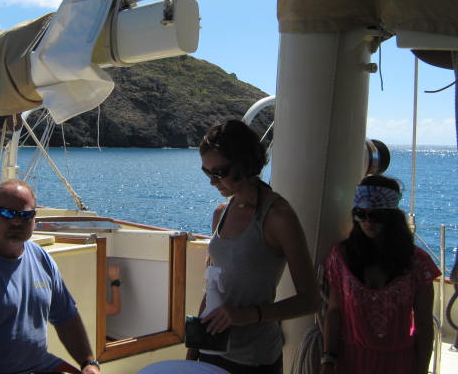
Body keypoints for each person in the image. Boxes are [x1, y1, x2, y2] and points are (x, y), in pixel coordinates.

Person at [187, 119, 318, 373]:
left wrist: (247, 315)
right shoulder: (221, 213)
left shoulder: (278, 217)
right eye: (207, 173)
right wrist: (193, 352)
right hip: (211, 349)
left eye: (219, 173)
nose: (212, 182)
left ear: (244, 163)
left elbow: (311, 301)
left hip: (255, 359)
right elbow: (213, 287)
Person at [0, 179, 101, 374]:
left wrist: (88, 363)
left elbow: (66, 317)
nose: (16, 221)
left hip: (39, 366)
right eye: (7, 213)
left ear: (34, 218)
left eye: (24, 215)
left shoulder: (41, 259)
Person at [320, 175, 440, 374]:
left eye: (376, 215)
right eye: (361, 214)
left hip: (399, 364)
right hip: (349, 362)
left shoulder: (418, 264)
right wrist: (327, 360)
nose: (368, 221)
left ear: (392, 217)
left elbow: (424, 325)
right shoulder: (340, 257)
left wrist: (421, 370)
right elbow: (334, 311)